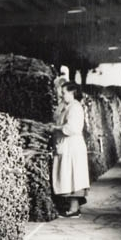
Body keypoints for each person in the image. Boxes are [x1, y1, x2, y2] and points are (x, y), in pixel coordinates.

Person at [52, 82, 89, 218]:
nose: (62, 95)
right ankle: (72, 207)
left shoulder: (75, 107)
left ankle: (74, 209)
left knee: (73, 177)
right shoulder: (66, 106)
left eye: (64, 92)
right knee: (68, 176)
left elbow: (72, 128)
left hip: (72, 146)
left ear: (72, 93)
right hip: (65, 145)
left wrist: (56, 128)